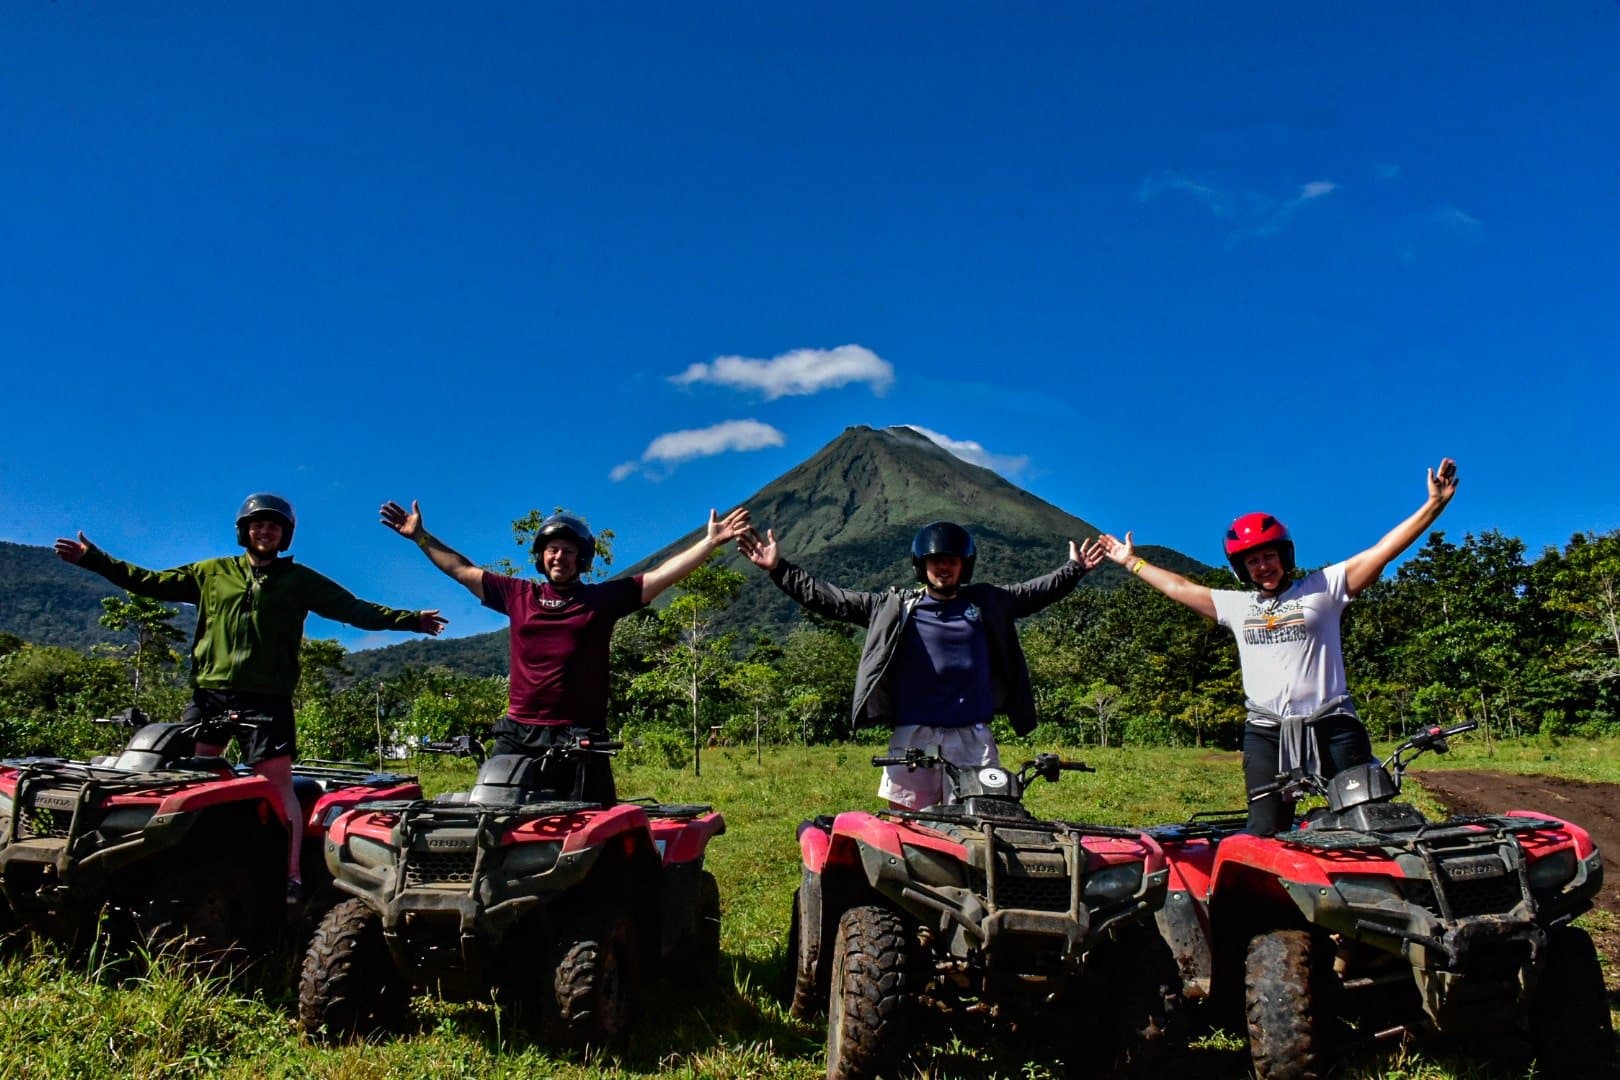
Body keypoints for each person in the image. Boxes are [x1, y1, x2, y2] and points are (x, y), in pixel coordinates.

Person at [56, 493, 447, 900]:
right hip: (211, 694)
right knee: (194, 775)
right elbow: (149, 583)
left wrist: (411, 621)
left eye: (274, 526)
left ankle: (293, 874)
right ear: (245, 530)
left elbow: (353, 609)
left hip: (266, 699)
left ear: (285, 535)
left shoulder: (299, 580)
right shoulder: (212, 572)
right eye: (258, 524)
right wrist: (93, 558)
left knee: (278, 785)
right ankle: (195, 854)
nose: (265, 530)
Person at [1097, 458, 1460, 835]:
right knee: (1264, 830)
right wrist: (1131, 562)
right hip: (1266, 730)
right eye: (1252, 561)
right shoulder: (1238, 607)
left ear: (1284, 555)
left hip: (1332, 724)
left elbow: (1383, 550)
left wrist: (1434, 504)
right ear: (1242, 569)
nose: (1263, 566)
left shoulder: (1324, 587)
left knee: (1371, 822)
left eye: (1269, 555)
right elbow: (1181, 589)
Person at [380, 499, 751, 802]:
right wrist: (421, 537)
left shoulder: (600, 601)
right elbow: (462, 569)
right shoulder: (518, 595)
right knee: (492, 822)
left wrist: (709, 543)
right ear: (541, 557)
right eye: (552, 550)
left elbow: (660, 576)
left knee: (592, 831)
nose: (560, 557)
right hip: (518, 734)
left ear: (582, 559)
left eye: (569, 551)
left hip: (581, 735)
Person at [738, 520, 1106, 810]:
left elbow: (1035, 592)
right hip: (915, 738)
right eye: (935, 561)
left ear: (965, 565)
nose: (943, 567)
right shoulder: (895, 607)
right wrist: (779, 570)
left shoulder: (989, 603)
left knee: (981, 822)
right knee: (909, 827)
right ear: (922, 565)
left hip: (973, 737)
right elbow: (832, 600)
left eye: (951, 560)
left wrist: (1073, 570)